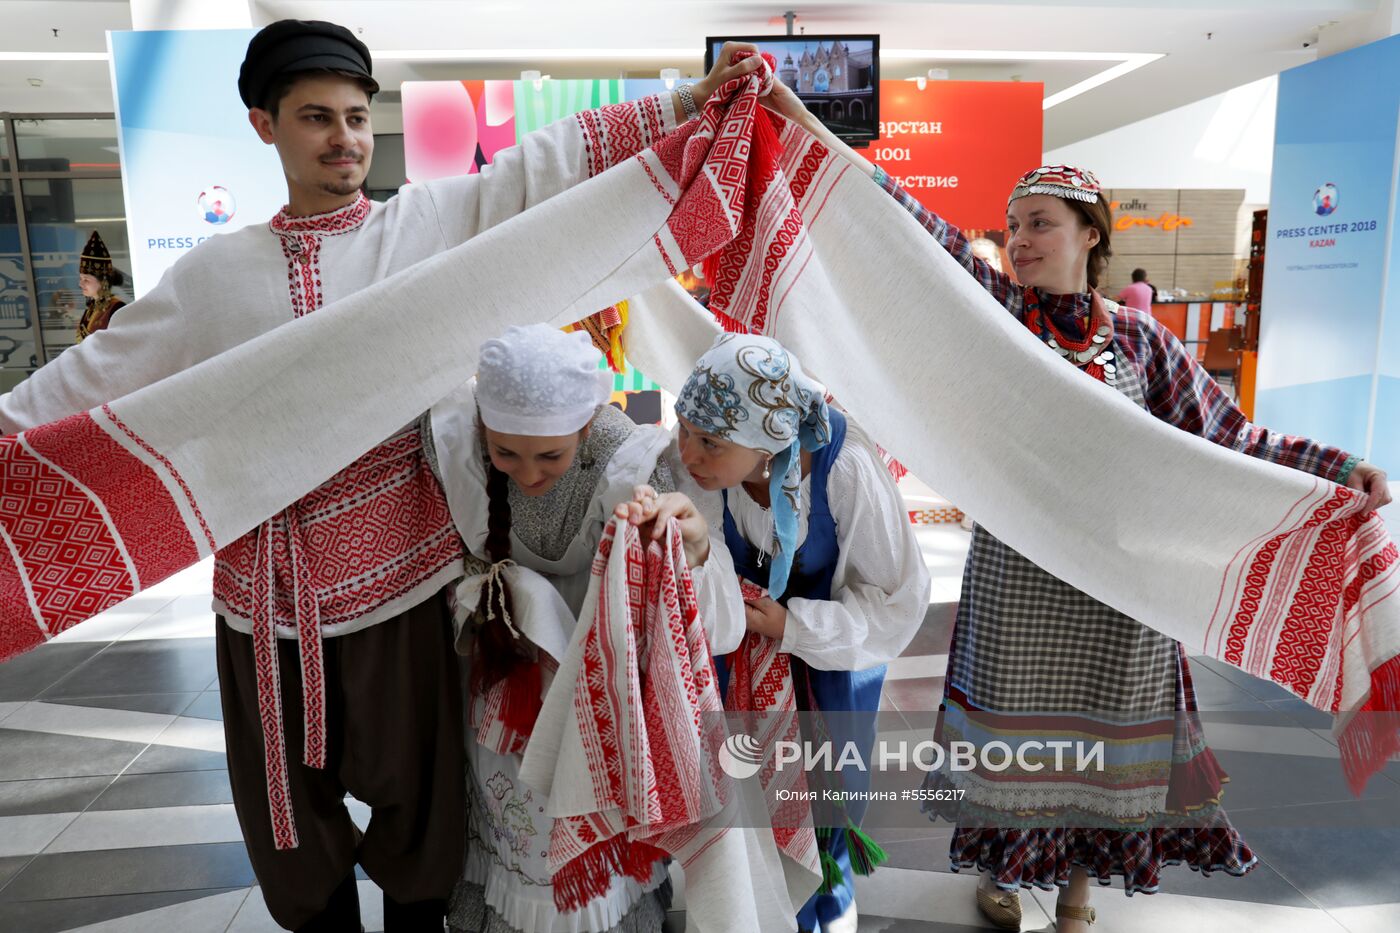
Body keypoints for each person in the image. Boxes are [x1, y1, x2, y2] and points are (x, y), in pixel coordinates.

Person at [0, 20, 762, 932]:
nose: (345, 139)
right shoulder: (214, 278)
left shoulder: (422, 230)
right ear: (264, 125)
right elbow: (88, 381)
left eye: (358, 117)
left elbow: (539, 170)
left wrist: (687, 99)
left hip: (407, 591)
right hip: (265, 606)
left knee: (424, 838)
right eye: (316, 117)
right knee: (293, 848)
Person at [756, 86, 1391, 932]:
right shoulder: (997, 316)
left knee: (1102, 743)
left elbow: (1230, 433)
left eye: (1041, 222)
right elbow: (902, 219)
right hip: (1017, 580)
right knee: (1014, 744)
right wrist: (799, 120)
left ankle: (1080, 891)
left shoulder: (1140, 342)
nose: (1018, 240)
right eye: (1013, 224)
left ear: (1091, 234)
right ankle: (1006, 877)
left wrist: (1341, 468)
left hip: (1115, 589)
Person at [426, 324, 745, 933]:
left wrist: (693, 547)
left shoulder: (635, 461)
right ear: (483, 433)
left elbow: (709, 624)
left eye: (551, 456)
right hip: (504, 679)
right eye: (506, 454)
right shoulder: (457, 446)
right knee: (514, 816)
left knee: (578, 811)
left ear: (588, 422)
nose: (527, 474)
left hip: (600, 680)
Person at [671, 333, 931, 933]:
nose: (688, 453)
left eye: (708, 442)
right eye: (685, 429)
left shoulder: (846, 471)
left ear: (768, 446)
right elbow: (704, 558)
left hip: (830, 665)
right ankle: (758, 907)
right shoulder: (710, 469)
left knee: (823, 798)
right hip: (742, 663)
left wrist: (796, 625)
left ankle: (824, 907)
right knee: (747, 793)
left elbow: (896, 599)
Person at [74, 230, 125, 340]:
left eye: (86, 279)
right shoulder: (91, 307)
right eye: (81, 278)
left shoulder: (116, 308)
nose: (80, 283)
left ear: (103, 281)